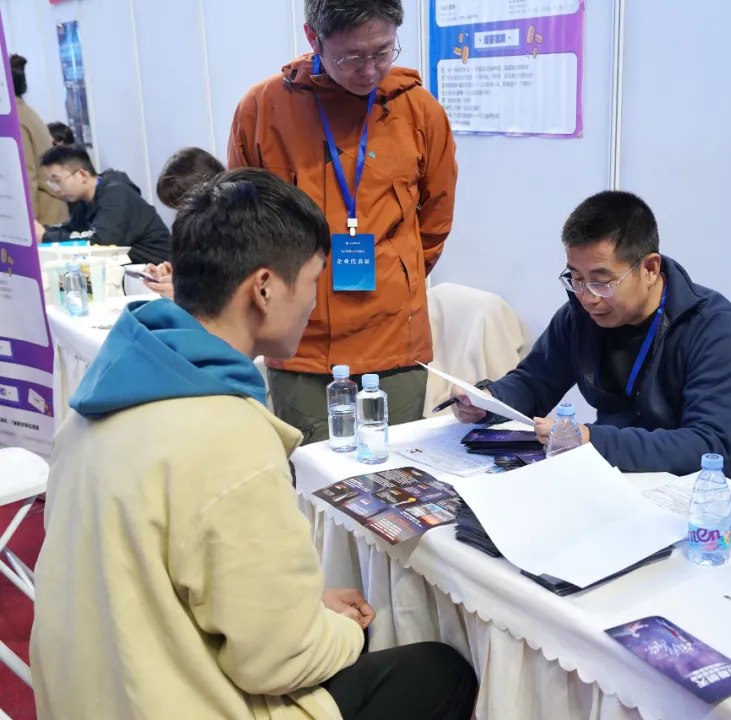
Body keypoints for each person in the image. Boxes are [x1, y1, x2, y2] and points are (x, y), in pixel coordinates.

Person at [30, 168, 478, 720]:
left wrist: (302, 611)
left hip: (89, 696)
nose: (315, 303)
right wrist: (342, 631)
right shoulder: (227, 435)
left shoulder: (98, 401)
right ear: (264, 288)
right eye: (313, 281)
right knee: (438, 671)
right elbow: (280, 662)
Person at [228, 0, 457, 441]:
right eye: (352, 57)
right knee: (312, 468)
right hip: (299, 338)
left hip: (393, 336)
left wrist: (398, 274)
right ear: (313, 39)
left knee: (395, 471)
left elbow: (435, 217)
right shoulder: (262, 110)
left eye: (382, 51)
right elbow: (244, 223)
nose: (369, 70)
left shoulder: (419, 110)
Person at [451, 191, 731, 476]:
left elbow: (706, 445)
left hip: (707, 494)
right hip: (618, 475)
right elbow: (534, 382)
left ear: (650, 269)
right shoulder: (580, 316)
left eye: (602, 282)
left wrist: (592, 439)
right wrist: (487, 401)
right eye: (576, 278)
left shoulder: (712, 326)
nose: (588, 297)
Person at [35, 145, 171, 265]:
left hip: (157, 271)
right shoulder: (86, 201)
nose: (56, 189)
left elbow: (100, 243)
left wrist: (46, 237)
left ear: (82, 174)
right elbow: (72, 230)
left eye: (57, 181)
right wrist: (40, 231)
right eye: (51, 183)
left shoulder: (116, 194)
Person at [141, 147, 228, 299]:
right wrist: (177, 275)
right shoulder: (196, 231)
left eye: (184, 206)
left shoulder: (238, 230)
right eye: (177, 208)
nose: (182, 216)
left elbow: (229, 296)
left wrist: (185, 296)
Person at [10, 54, 67, 226]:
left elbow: (27, 176)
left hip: (43, 215)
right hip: (48, 210)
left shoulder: (16, 120)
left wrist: (28, 223)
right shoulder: (24, 112)